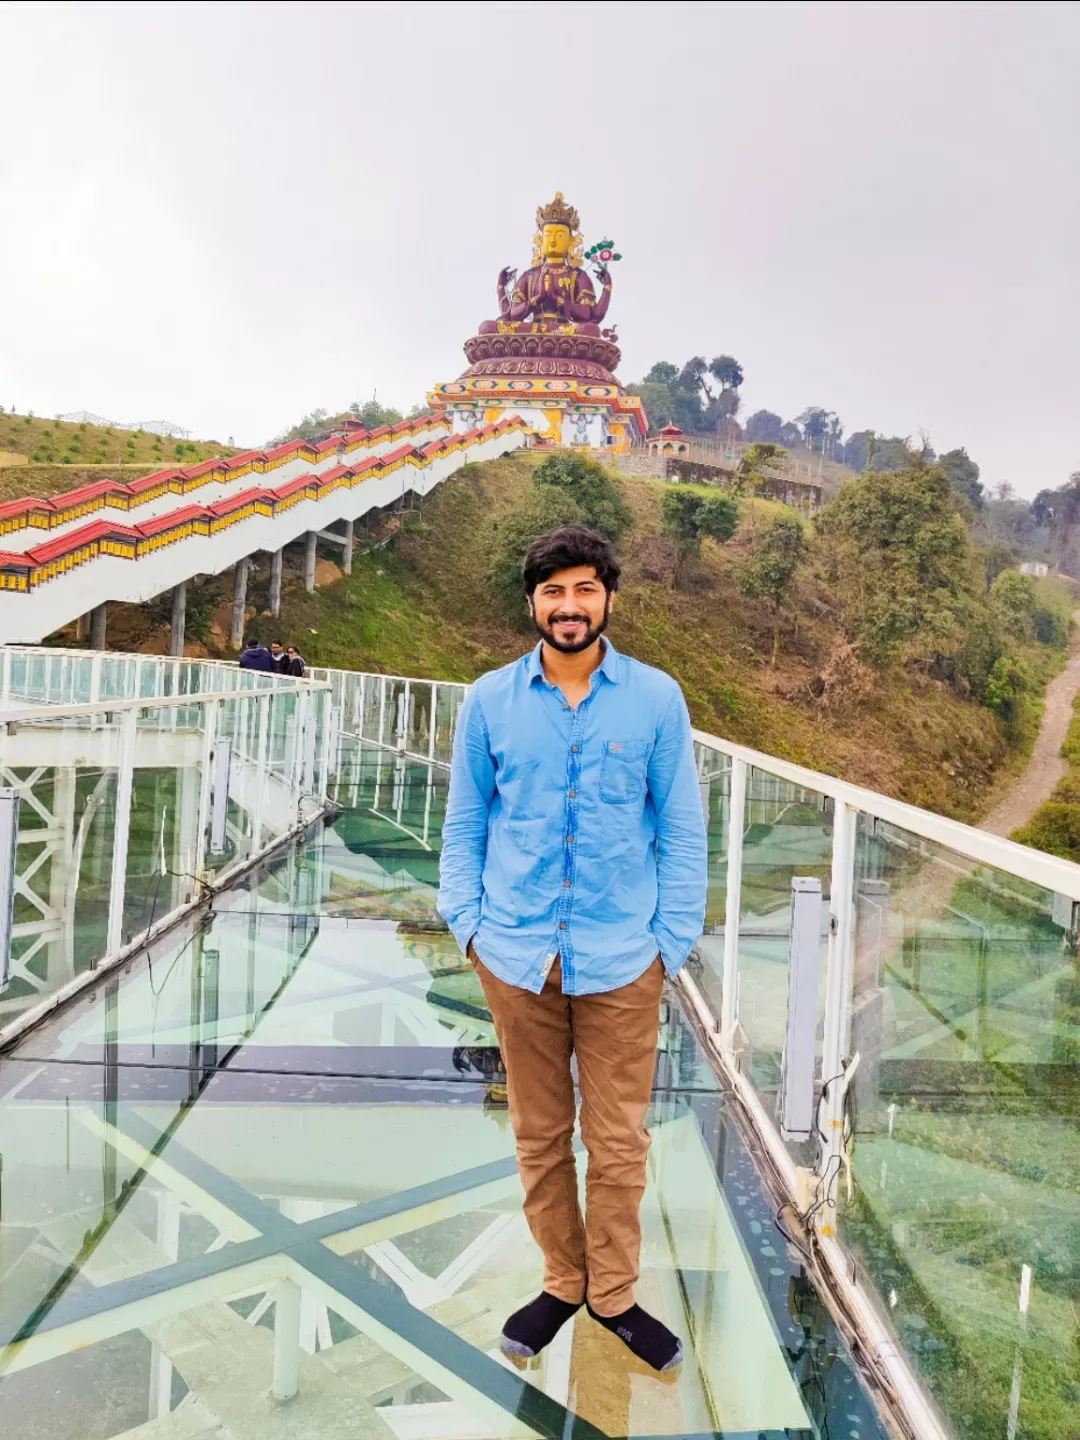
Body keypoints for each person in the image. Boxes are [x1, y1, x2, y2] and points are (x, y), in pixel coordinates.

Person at [437, 524, 707, 1373]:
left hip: (624, 956)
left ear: (609, 599)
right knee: (539, 1132)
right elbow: (466, 822)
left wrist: (671, 942)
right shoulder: (487, 700)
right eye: (553, 592)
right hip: (514, 954)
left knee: (620, 1138)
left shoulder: (658, 700)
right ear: (532, 603)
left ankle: (614, 1295)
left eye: (584, 589)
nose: (569, 606)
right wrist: (467, 924)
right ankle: (562, 1279)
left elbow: (684, 831)